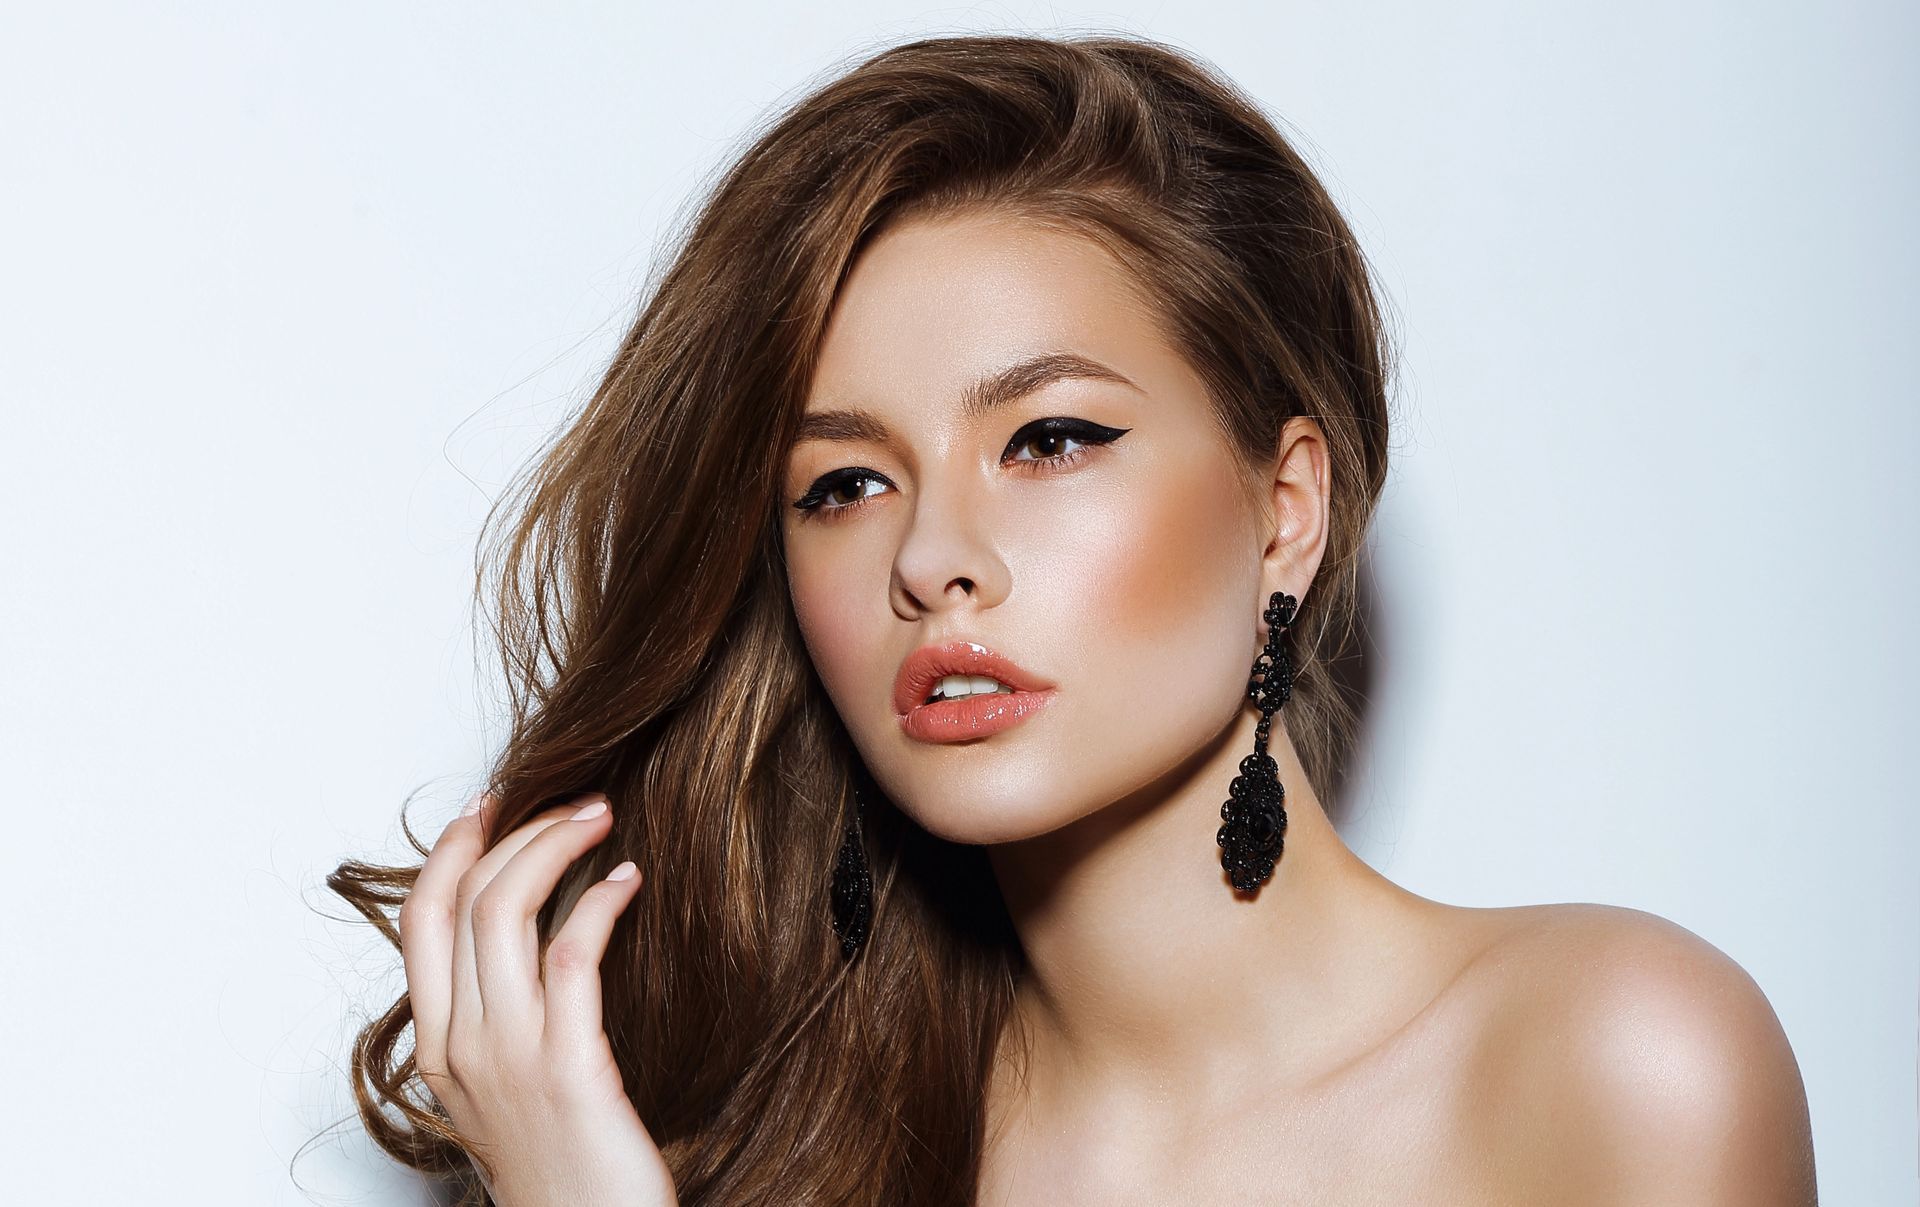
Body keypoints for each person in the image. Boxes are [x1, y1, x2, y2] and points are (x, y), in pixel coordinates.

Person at [328, 31, 1817, 1206]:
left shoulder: (1615, 1059)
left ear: (1285, 509)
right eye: (844, 481)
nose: (933, 558)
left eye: (1047, 440)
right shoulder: (788, 1148)